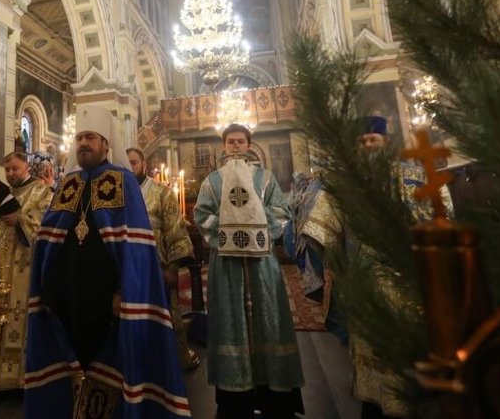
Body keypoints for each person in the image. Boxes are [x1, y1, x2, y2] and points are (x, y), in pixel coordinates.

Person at [25, 105, 190, 418]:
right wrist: (45, 288)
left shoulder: (122, 181)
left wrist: (122, 292)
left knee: (110, 369)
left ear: (105, 144)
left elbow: (134, 248)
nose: (83, 143)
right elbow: (49, 239)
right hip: (67, 300)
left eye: (90, 137)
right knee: (71, 366)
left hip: (108, 303)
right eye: (80, 138)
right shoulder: (67, 185)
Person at [193, 124, 305, 419]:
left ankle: (276, 398)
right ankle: (234, 399)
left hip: (262, 263)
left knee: (269, 320)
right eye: (231, 142)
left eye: (241, 141)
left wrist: (254, 214)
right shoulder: (212, 182)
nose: (236, 146)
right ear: (224, 146)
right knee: (231, 323)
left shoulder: (265, 179)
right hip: (227, 265)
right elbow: (202, 215)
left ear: (249, 145)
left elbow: (282, 215)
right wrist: (230, 224)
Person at [351, 116, 453, 419]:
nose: (369, 145)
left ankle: (415, 400)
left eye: (373, 140)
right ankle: (376, 402)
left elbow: (442, 209)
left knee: (412, 336)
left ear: (385, 141)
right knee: (372, 337)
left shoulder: (415, 173)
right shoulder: (352, 180)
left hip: (409, 270)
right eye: (363, 141)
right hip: (368, 270)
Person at [0, 153, 53, 391]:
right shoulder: (1, 193)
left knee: (21, 319)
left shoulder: (42, 192)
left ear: (26, 167)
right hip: (0, 265)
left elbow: (49, 225)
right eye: (7, 169)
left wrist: (21, 219)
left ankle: (22, 379)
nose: (10, 173)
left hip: (25, 268)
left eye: (15, 169)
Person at [126, 147, 199, 372]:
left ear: (144, 165)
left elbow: (175, 231)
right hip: (126, 267)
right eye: (126, 164)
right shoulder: (116, 193)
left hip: (157, 265)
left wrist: (173, 268)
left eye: (134, 163)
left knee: (164, 313)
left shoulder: (161, 192)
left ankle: (173, 360)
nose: (130, 168)